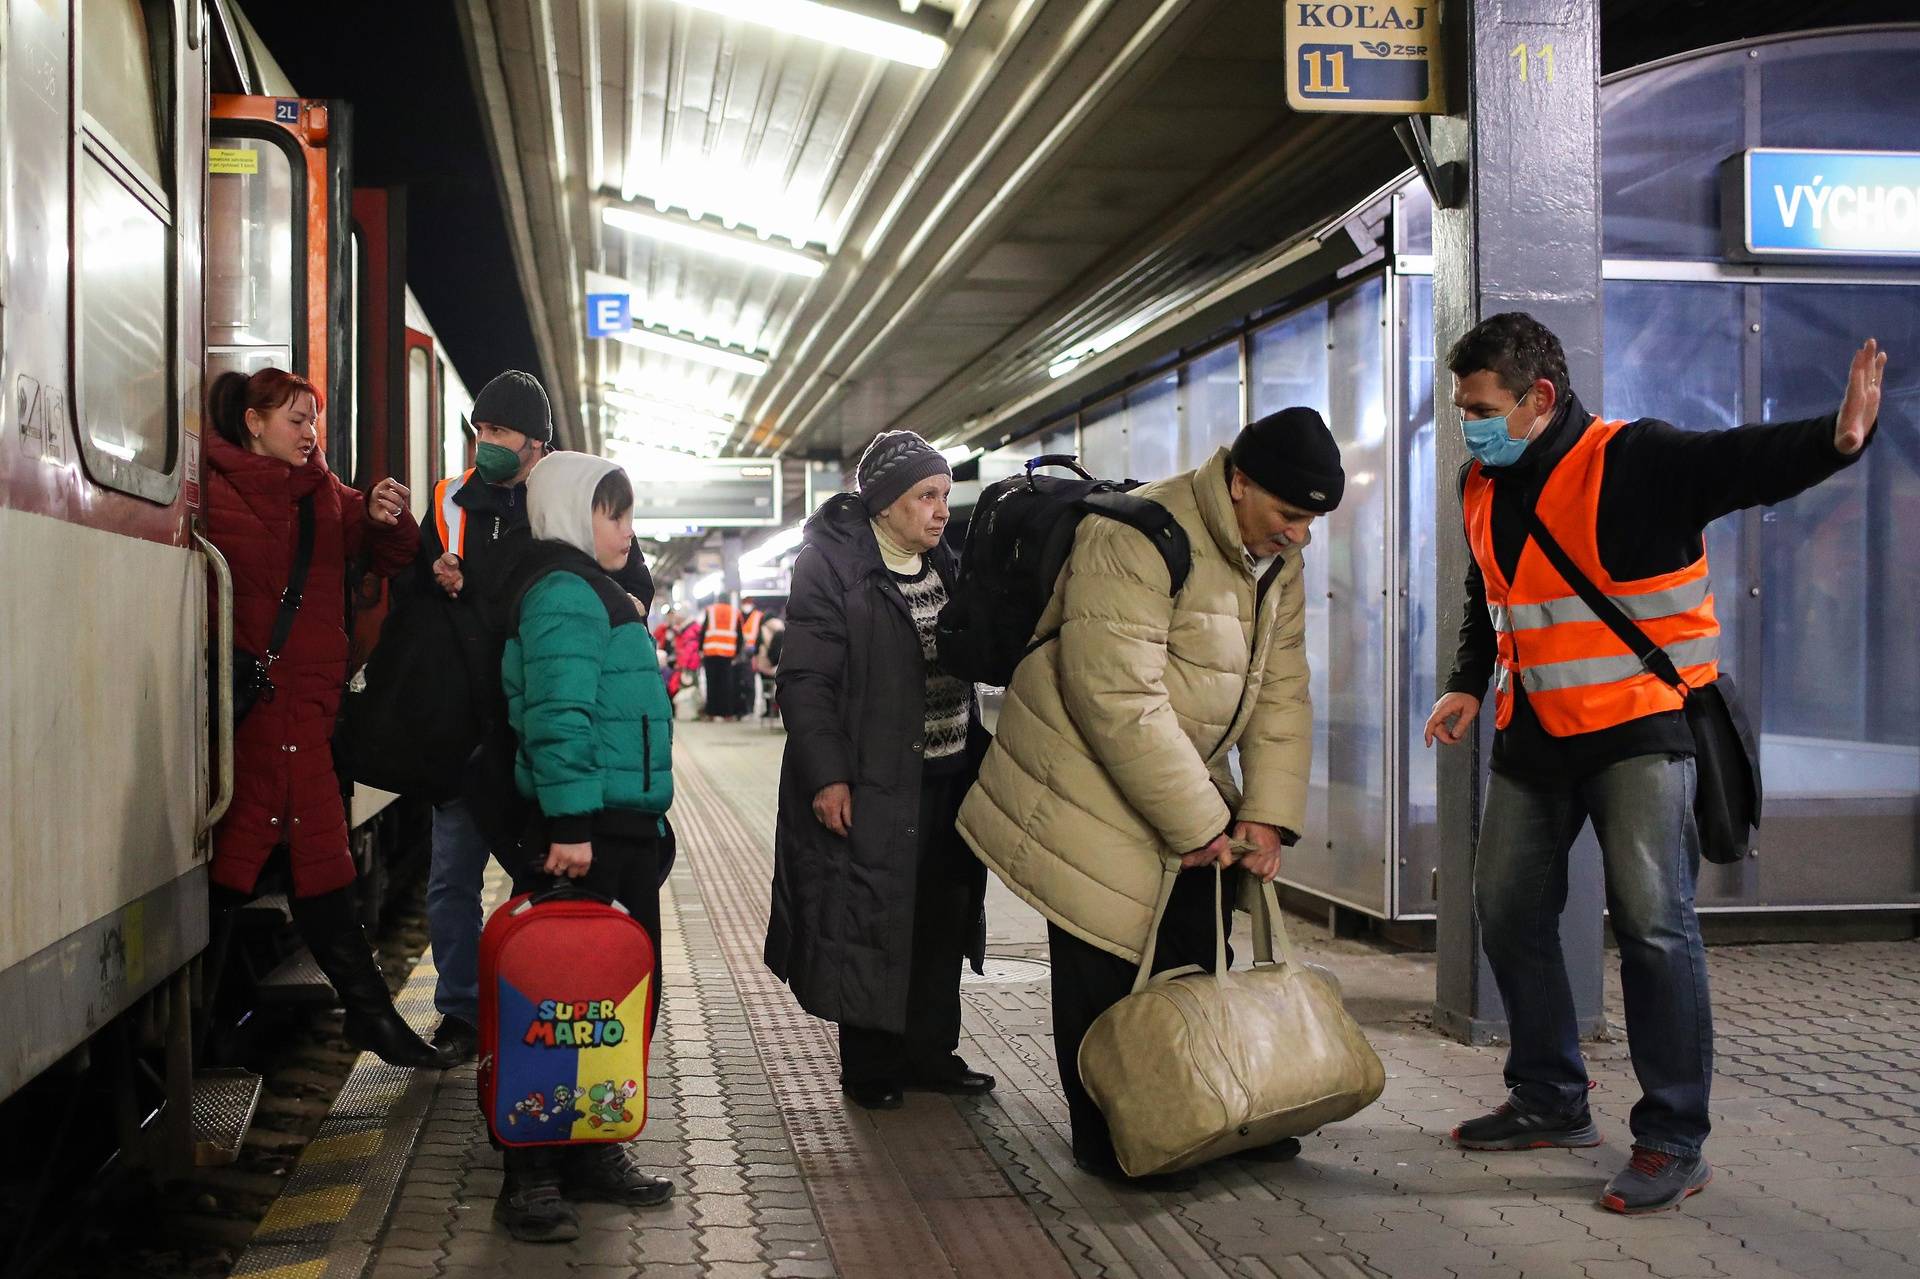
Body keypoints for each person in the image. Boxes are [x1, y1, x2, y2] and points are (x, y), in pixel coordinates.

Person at [1423, 313, 1886, 1215]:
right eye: (1461, 409)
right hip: (1535, 734)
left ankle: (1673, 1136)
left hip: (1639, 728)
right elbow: (1492, 596)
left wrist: (1833, 441)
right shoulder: (1480, 480)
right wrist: (1468, 681)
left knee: (1653, 926)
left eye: (1479, 408)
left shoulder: (1633, 458)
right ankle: (1551, 1096)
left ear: (1538, 399)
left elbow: (1739, 458)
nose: (1467, 424)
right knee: (1508, 907)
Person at [958, 409, 1341, 1185]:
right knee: (1109, 960)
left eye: (1312, 521)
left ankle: (1210, 1106)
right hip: (1084, 782)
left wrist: (1264, 813)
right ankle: (1117, 1138)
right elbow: (1113, 694)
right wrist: (1199, 818)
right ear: (1239, 482)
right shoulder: (1136, 534)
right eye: (1289, 515)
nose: (1299, 535)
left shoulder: (1274, 562)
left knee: (1200, 953)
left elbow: (1282, 692)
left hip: (1176, 774)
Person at [202, 368, 451, 1070]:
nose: (311, 431)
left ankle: (362, 1016)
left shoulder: (327, 497)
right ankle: (359, 1017)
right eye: (295, 419)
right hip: (249, 717)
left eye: (313, 418)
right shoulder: (212, 493)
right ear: (253, 422)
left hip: (306, 715)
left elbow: (395, 556)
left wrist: (386, 514)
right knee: (262, 868)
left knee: (312, 866)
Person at [409, 371, 655, 1062]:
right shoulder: (450, 502)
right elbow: (414, 596)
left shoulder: (576, 505)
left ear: (535, 445)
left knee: (536, 875)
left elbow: (633, 588)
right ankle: (462, 1012)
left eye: (500, 434)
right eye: (479, 431)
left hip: (530, 730)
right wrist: (440, 579)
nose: (485, 444)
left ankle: (529, 1010)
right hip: (465, 724)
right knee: (451, 873)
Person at [767, 431, 995, 1110]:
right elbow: (805, 680)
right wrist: (828, 776)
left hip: (948, 775)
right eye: (927, 495)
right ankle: (871, 1064)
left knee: (940, 917)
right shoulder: (833, 567)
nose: (940, 510)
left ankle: (931, 1051)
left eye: (945, 496)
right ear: (888, 503)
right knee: (870, 915)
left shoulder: (946, 565)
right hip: (873, 779)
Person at [490, 452, 677, 1241]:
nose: (628, 533)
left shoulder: (590, 589)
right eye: (614, 514)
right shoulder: (564, 594)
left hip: (619, 830)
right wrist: (568, 826)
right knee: (554, 1009)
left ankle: (592, 1148)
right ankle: (530, 1174)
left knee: (610, 1004)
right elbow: (557, 715)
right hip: (583, 833)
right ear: (572, 513)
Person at [700, 597, 739, 719]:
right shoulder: (735, 612)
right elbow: (740, 634)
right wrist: (736, 653)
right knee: (726, 684)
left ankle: (711, 713)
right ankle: (727, 713)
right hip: (727, 654)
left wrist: (700, 648)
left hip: (710, 652)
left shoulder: (710, 610)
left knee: (712, 684)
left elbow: (703, 630)